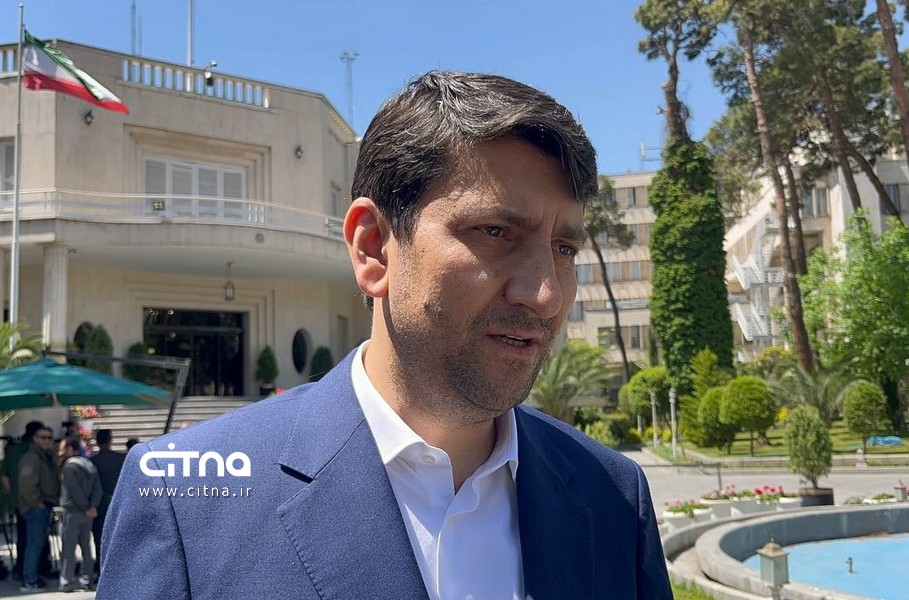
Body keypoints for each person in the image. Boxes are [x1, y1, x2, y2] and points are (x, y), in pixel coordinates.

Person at [98, 71, 671, 599]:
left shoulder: (614, 495)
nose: (544, 294)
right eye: (495, 232)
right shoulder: (182, 500)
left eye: (564, 249)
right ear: (373, 248)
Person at [0, 420, 43, 581]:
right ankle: (35, 570)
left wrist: (13, 494)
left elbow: (4, 477)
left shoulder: (13, 450)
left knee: (23, 536)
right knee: (37, 538)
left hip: (19, 501)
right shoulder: (36, 450)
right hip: (37, 500)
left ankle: (21, 569)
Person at [17, 425, 59, 592]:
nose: (47, 441)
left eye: (50, 438)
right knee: (34, 544)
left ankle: (32, 578)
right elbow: (26, 485)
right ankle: (29, 581)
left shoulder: (44, 456)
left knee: (37, 543)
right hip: (35, 507)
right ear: (35, 438)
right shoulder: (31, 458)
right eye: (43, 437)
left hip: (43, 505)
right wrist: (37, 504)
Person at [58, 436, 103, 592]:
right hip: (88, 514)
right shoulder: (89, 464)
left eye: (63, 448)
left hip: (72, 511)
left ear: (71, 449)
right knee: (86, 546)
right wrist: (92, 506)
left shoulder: (69, 466)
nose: (60, 451)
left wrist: (85, 506)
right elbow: (98, 488)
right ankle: (87, 579)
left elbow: (74, 490)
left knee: (69, 547)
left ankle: (67, 580)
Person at [89, 428, 125, 578]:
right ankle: (119, 568)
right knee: (119, 537)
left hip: (100, 505)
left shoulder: (92, 462)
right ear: (111, 440)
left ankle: (101, 568)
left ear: (96, 442)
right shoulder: (121, 459)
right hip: (119, 503)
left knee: (100, 538)